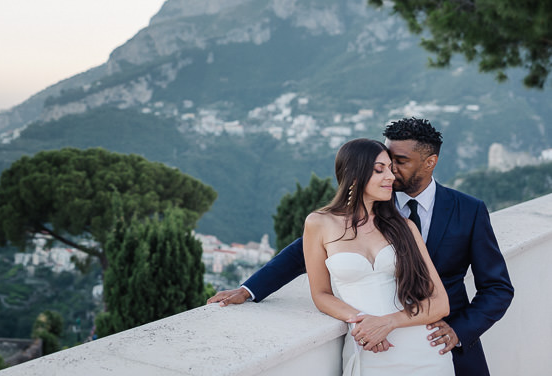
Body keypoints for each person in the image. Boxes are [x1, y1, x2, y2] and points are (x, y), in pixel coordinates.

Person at [207, 117, 514, 376]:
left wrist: (459, 330)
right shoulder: (371, 200)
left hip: (443, 341)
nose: (391, 172)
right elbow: (305, 250)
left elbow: (497, 287)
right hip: (376, 347)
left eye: (400, 163)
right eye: (385, 162)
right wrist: (250, 289)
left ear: (430, 162)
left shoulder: (469, 210)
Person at [304, 138, 452, 374]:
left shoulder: (404, 227)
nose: (391, 177)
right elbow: (320, 294)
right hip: (370, 348)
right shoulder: (319, 223)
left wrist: (388, 322)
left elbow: (440, 303)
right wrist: (362, 321)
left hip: (424, 353)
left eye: (391, 169)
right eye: (379, 170)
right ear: (354, 175)